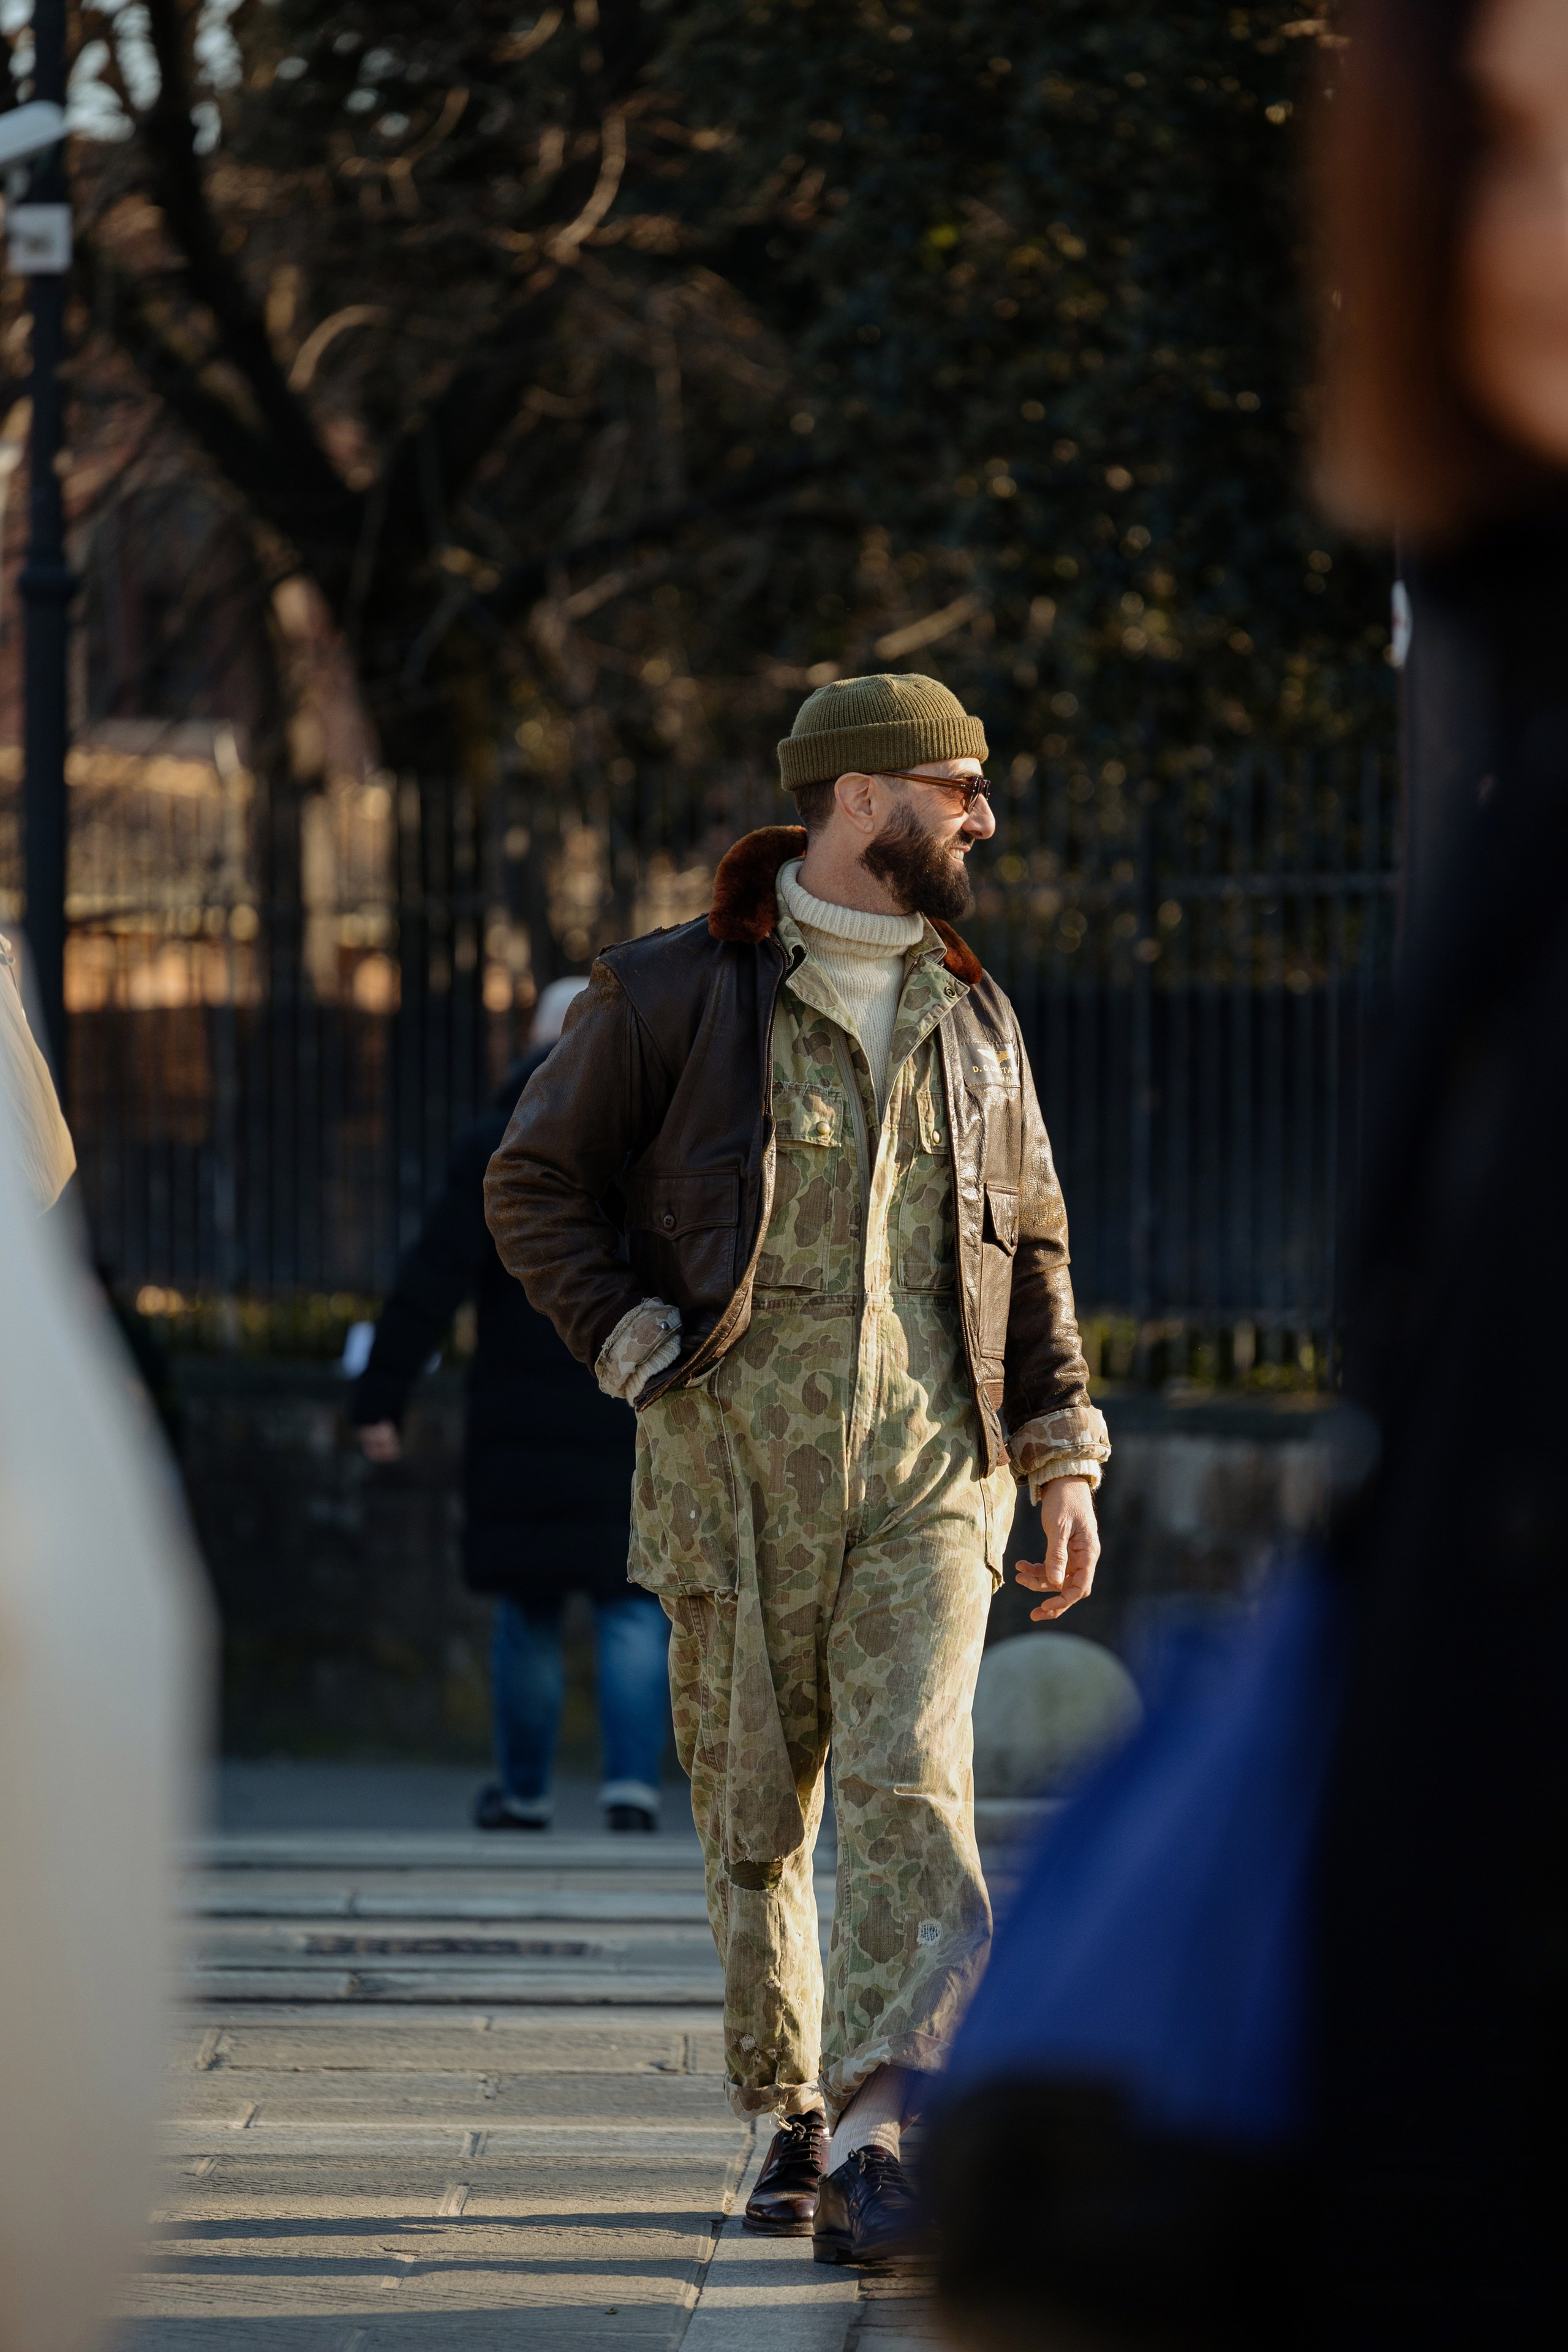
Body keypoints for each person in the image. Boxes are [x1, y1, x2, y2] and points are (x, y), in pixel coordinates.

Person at [484, 673, 1110, 2264]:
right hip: (729, 1485)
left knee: (914, 1782)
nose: (984, 815)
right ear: (853, 797)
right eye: (957, 784)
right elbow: (532, 1183)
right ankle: (794, 2111)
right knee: (758, 1820)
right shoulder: (676, 996)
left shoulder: (978, 1014)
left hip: (933, 1484)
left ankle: (894, 2134)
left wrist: (1062, 1459)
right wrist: (630, 1346)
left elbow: (1031, 1253)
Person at [350, 978, 669, 1833]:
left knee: (528, 1608)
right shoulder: (660, 1142)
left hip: (517, 1420)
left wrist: (381, 1395)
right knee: (634, 1603)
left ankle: (524, 1795)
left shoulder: (497, 1141)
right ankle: (632, 1792)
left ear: (531, 1039)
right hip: (628, 1408)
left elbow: (432, 1277)